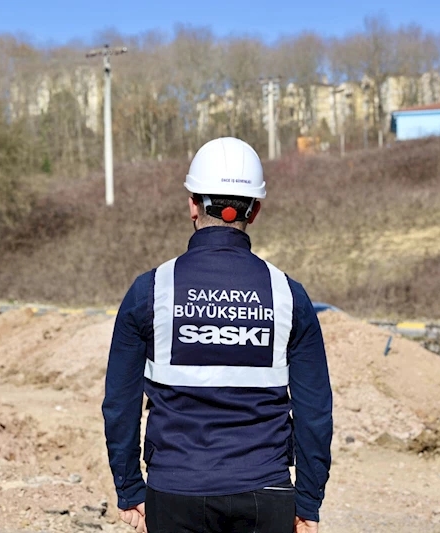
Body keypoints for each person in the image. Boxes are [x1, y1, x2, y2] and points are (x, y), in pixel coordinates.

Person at [102, 137, 333, 533]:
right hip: (267, 491)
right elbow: (315, 412)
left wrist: (129, 488)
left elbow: (120, 404)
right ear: (255, 210)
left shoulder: (151, 291)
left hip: (174, 492)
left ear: (192, 204)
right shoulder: (287, 295)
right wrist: (307, 500)